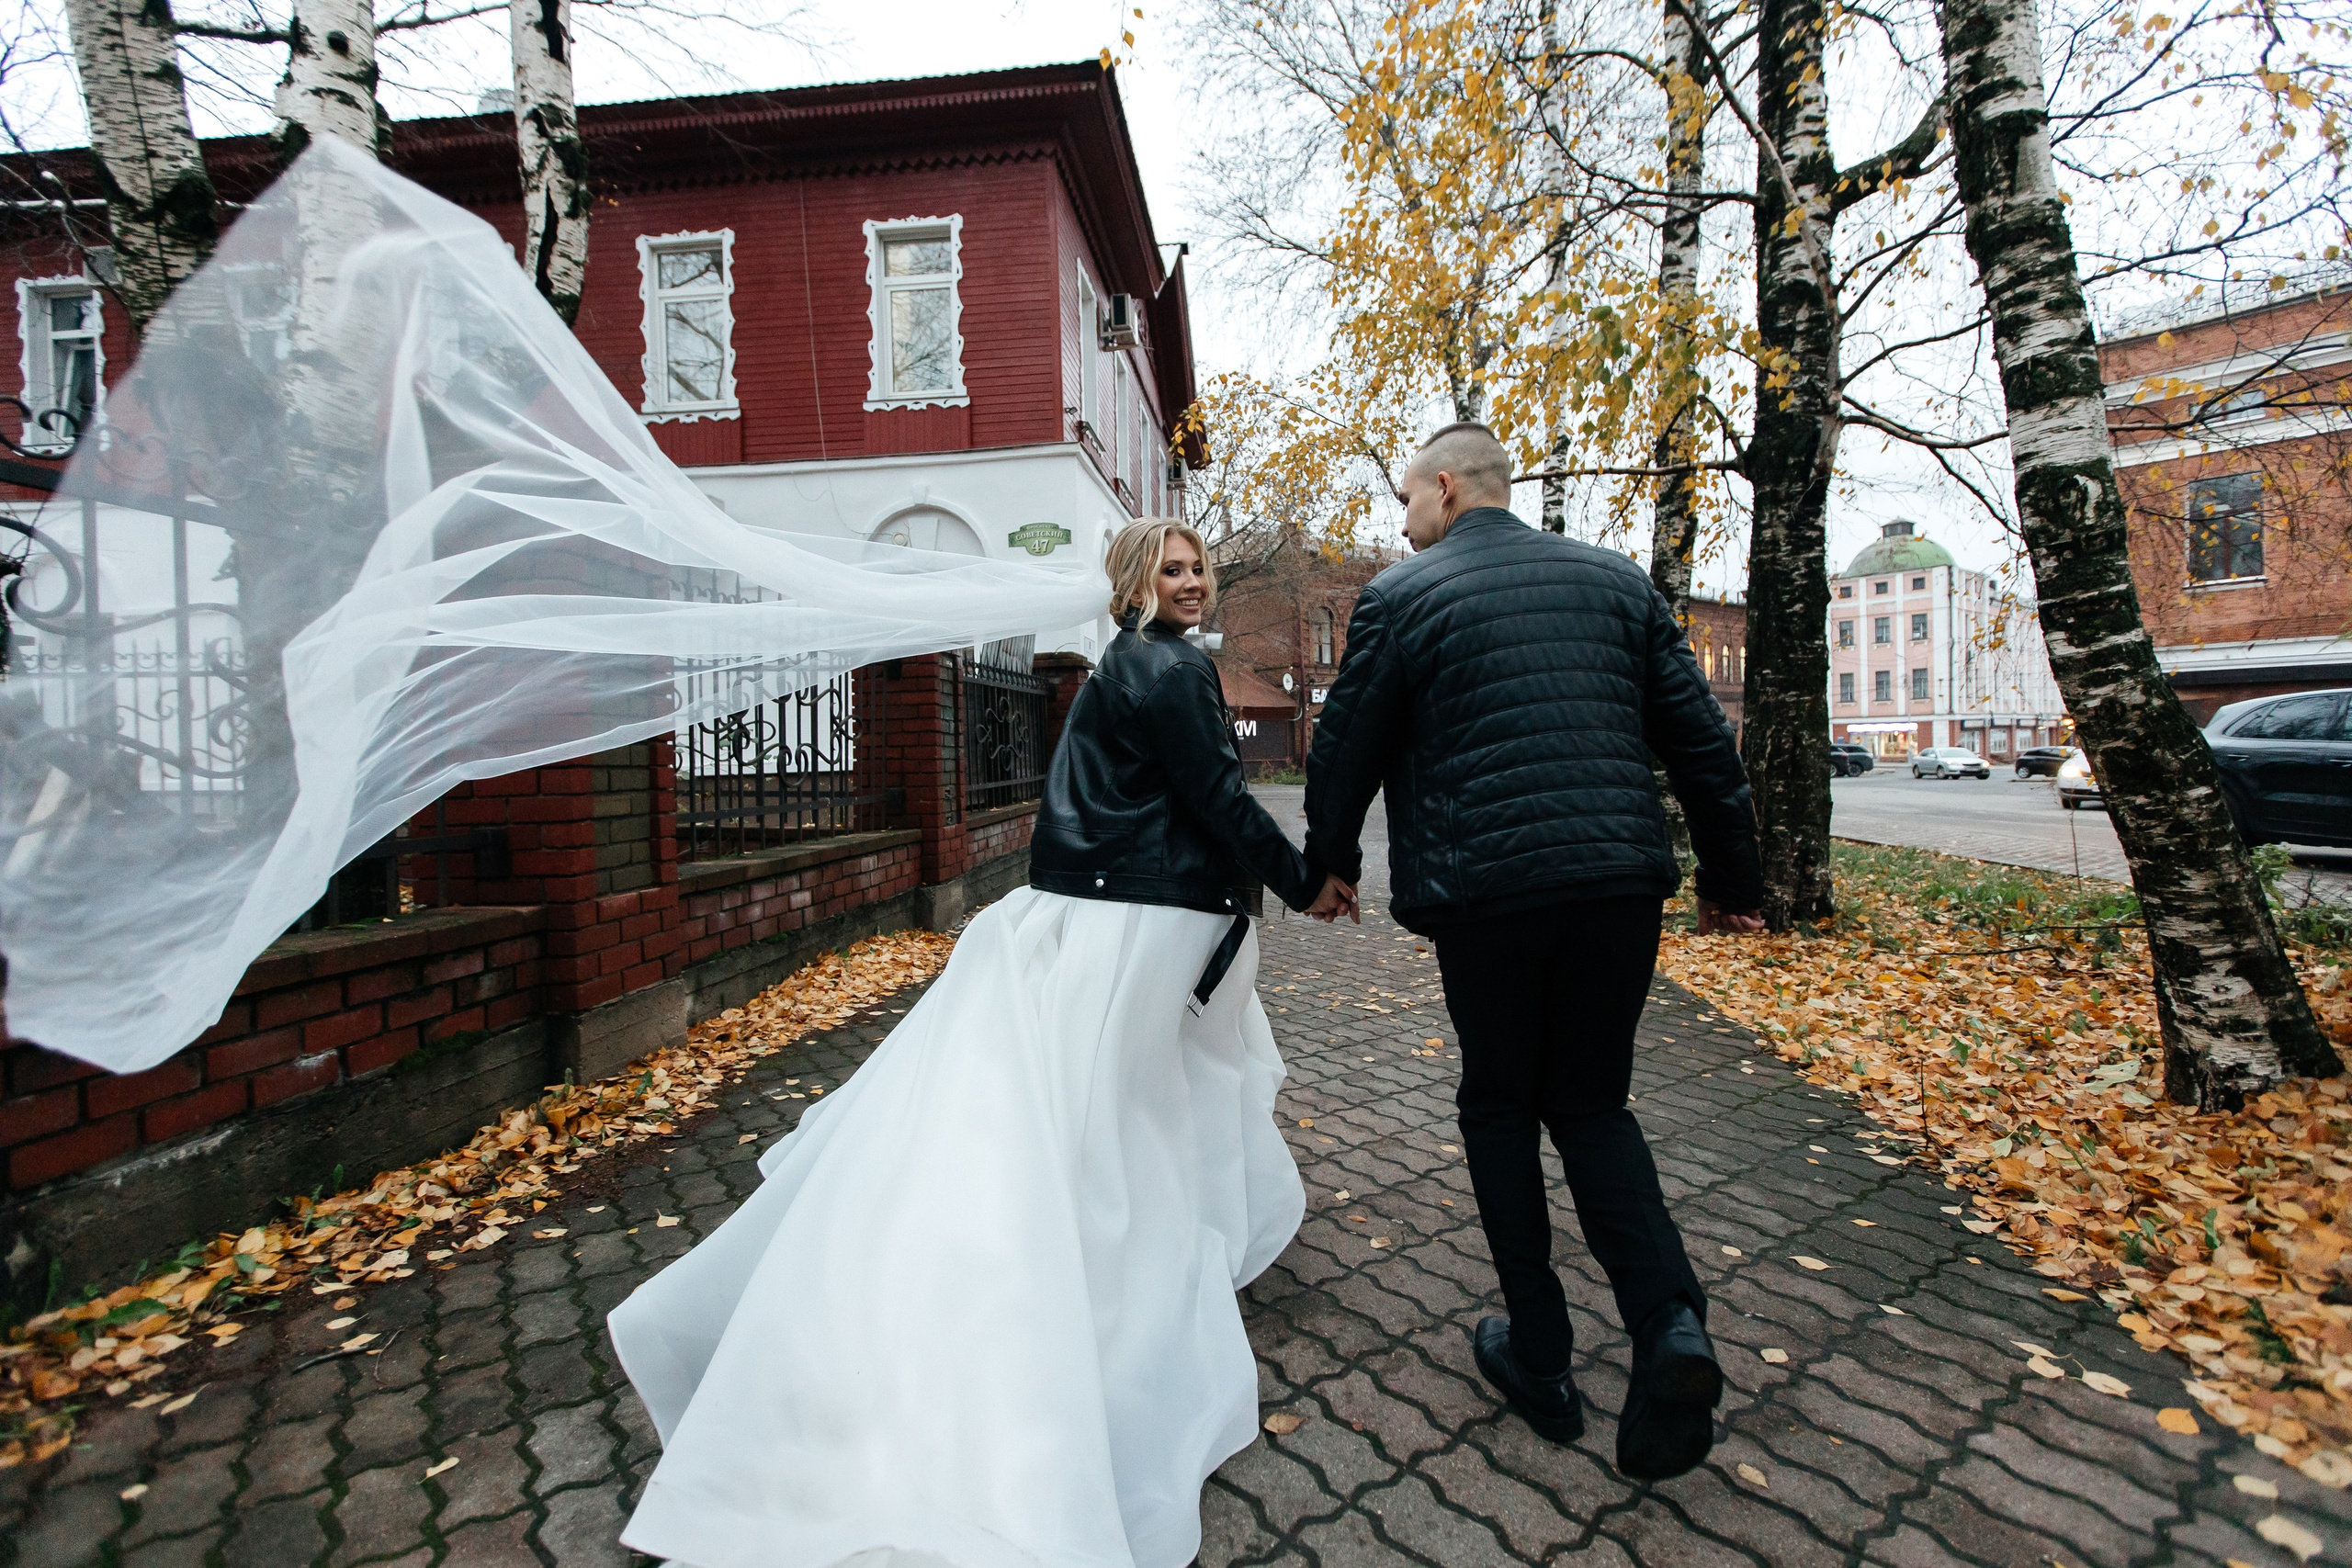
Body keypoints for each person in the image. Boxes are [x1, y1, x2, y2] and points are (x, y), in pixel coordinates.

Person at [608, 518, 1353, 1568]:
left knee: (1086, 1112)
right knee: (1119, 1126)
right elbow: (1221, 800)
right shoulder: (1171, 668)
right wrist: (1305, 880)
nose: (1192, 582)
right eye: (1172, 569)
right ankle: (1092, 1318)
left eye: (1197, 568)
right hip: (1141, 921)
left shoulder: (1114, 668)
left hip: (1087, 911)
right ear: (1135, 581)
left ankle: (1061, 1276)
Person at [1304, 422, 1767, 1483]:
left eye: (1407, 501)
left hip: (1488, 896)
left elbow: (1345, 748)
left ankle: (1542, 1355)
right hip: (1616, 886)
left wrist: (1328, 868)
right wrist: (1733, 881)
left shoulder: (1401, 596)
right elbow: (1701, 741)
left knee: (1501, 1105)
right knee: (1594, 1106)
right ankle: (1668, 1323)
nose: (1402, 525)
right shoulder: (1617, 582)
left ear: (1448, 487)